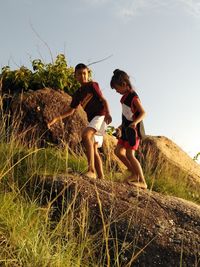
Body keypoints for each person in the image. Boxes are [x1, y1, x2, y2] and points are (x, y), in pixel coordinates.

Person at [48, 63, 112, 179]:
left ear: (88, 74)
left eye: (84, 73)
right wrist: (56, 118)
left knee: (86, 135)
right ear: (75, 76)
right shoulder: (77, 94)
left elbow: (103, 99)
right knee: (93, 147)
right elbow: (71, 110)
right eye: (79, 74)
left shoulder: (92, 85)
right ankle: (101, 178)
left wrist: (108, 113)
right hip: (93, 119)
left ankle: (91, 170)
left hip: (100, 115)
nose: (83, 76)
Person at [110, 69, 147, 189]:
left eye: (116, 88)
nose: (116, 91)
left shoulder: (133, 97)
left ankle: (142, 181)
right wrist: (120, 127)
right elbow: (127, 116)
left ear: (124, 84)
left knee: (130, 154)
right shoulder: (124, 98)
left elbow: (143, 113)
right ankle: (134, 173)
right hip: (125, 129)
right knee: (118, 152)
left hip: (133, 131)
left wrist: (135, 123)